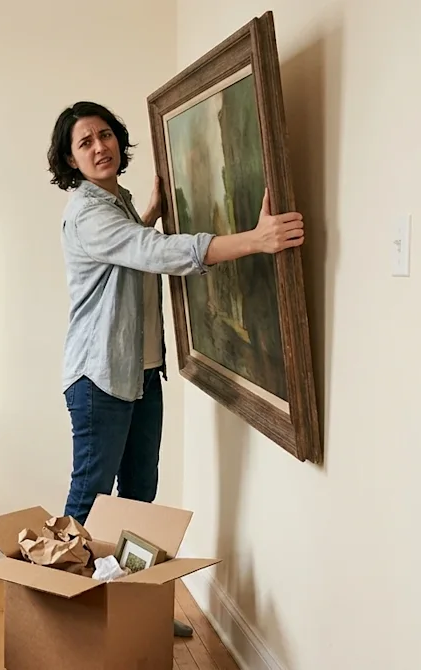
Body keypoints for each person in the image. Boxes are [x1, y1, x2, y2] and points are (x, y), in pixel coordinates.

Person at [47, 101, 304, 637]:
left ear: (118, 138)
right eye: (85, 143)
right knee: (90, 499)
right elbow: (153, 253)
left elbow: (130, 254)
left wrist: (150, 211)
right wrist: (255, 240)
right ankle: (62, 622)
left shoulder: (115, 200)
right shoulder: (88, 210)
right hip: (99, 379)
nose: (100, 147)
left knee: (138, 499)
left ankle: (133, 614)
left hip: (139, 373)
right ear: (70, 160)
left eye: (105, 135)